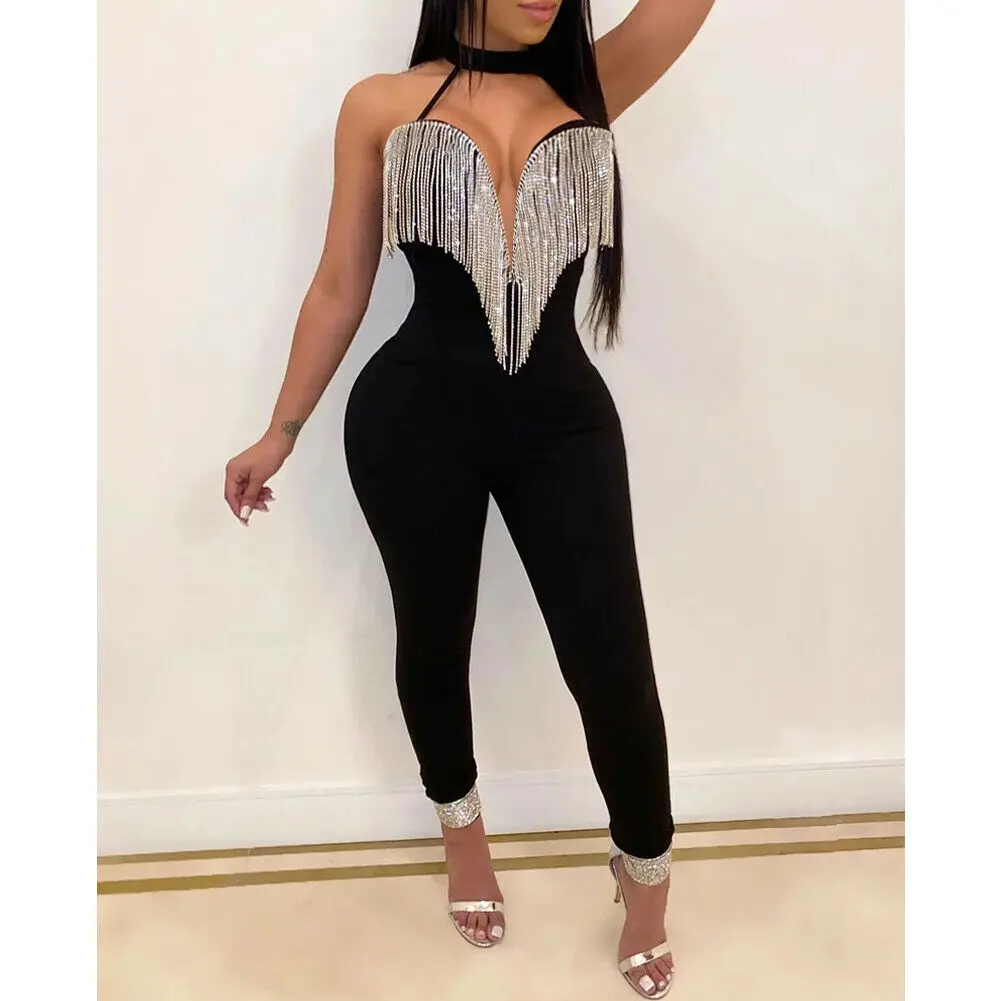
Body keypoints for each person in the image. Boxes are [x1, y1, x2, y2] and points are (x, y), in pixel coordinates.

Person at [224, 1, 715, 995]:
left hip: (564, 429)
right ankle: (462, 833)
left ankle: (645, 873)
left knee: (613, 664)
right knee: (432, 637)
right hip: (412, 420)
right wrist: (280, 429)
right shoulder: (379, 105)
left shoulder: (589, 87)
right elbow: (339, 284)